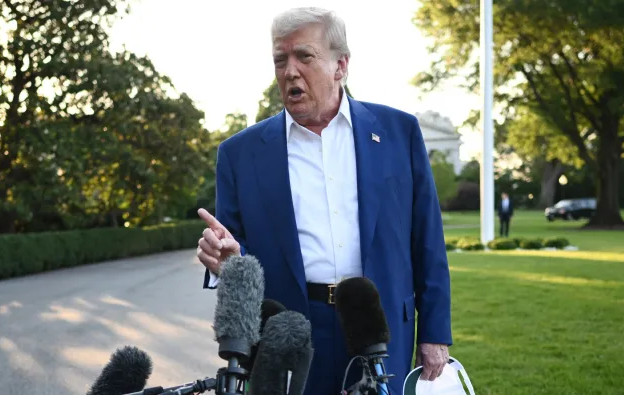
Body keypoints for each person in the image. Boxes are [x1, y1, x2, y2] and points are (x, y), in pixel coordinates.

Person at [193, 7, 452, 395]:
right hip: (288, 332)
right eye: (280, 60)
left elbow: (427, 239)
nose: (290, 71)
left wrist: (434, 332)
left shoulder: (399, 132)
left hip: (379, 326)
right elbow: (234, 246)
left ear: (340, 66)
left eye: (304, 56)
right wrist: (228, 261)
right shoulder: (239, 153)